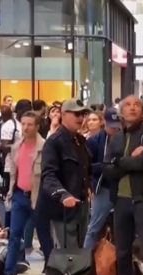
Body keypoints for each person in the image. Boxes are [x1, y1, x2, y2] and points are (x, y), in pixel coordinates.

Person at [102, 95, 143, 275]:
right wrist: (126, 160)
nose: (132, 108)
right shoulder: (116, 137)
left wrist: (119, 162)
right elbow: (107, 169)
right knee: (122, 253)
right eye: (127, 105)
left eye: (137, 105)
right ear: (121, 112)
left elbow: (141, 163)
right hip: (120, 200)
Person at [0, 111, 45, 275]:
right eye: (23, 124)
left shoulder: (44, 146)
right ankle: (9, 272)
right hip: (19, 194)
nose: (25, 127)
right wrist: (11, 191)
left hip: (37, 196)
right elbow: (13, 172)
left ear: (37, 126)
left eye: (30, 124)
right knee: (14, 234)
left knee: (43, 234)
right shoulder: (17, 146)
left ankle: (50, 266)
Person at [40, 98, 91, 249]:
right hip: (63, 208)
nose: (81, 118)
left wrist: (90, 185)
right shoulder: (54, 141)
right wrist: (63, 195)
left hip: (81, 205)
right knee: (70, 255)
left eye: (83, 114)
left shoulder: (80, 140)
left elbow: (86, 169)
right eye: (76, 114)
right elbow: (48, 174)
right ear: (63, 114)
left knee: (81, 252)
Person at [83, 107, 122, 250]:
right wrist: (106, 166)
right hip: (103, 186)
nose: (114, 129)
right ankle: (86, 263)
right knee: (94, 226)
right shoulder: (93, 141)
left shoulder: (125, 138)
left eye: (117, 126)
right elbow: (87, 166)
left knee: (124, 228)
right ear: (103, 122)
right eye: (111, 126)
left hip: (122, 186)